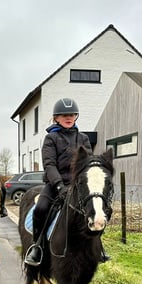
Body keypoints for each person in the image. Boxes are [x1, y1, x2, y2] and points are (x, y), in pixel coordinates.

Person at [24, 98, 109, 266]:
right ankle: (37, 246)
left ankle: (97, 246)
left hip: (78, 186)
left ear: (75, 116)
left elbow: (88, 164)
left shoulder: (83, 138)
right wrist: (59, 185)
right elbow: (49, 165)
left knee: (97, 208)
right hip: (55, 185)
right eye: (64, 115)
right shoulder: (51, 138)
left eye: (71, 114)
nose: (68, 118)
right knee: (40, 209)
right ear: (56, 118)